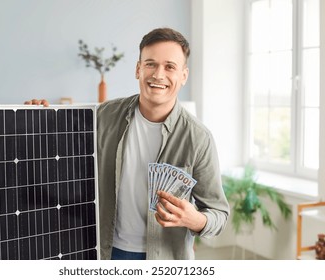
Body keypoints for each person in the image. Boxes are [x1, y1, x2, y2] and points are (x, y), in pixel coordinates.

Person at [26, 27, 229, 260]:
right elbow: (61, 151)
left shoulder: (198, 138)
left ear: (183, 75)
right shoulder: (104, 116)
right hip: (106, 252)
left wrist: (197, 220)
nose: (158, 75)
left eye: (169, 66)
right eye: (150, 64)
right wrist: (38, 117)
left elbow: (219, 214)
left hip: (164, 260)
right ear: (138, 69)